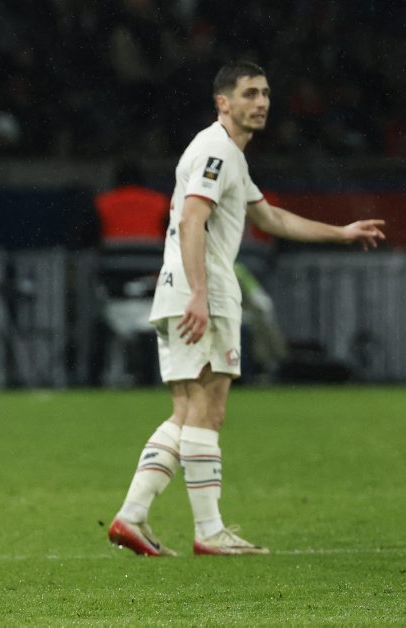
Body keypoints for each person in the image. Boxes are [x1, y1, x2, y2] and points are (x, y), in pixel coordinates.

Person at [107, 61, 385, 557]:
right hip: (202, 290)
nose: (261, 103)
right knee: (208, 409)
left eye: (266, 94)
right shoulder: (215, 150)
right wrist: (199, 293)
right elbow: (192, 221)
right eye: (250, 93)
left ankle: (133, 515)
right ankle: (209, 531)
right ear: (223, 102)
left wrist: (340, 232)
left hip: (182, 288)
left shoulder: (228, 155)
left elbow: (270, 217)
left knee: (188, 410)